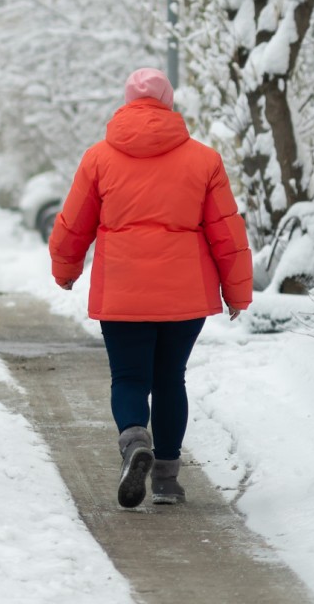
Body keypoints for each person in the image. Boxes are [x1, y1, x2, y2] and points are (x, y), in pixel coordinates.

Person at [48, 67, 252, 508]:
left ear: (126, 102)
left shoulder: (98, 157)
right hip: (184, 294)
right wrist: (237, 292)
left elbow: (74, 221)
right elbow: (226, 232)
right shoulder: (204, 159)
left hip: (121, 290)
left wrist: (65, 268)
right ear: (169, 103)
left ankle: (135, 439)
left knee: (128, 377)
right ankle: (166, 479)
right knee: (169, 379)